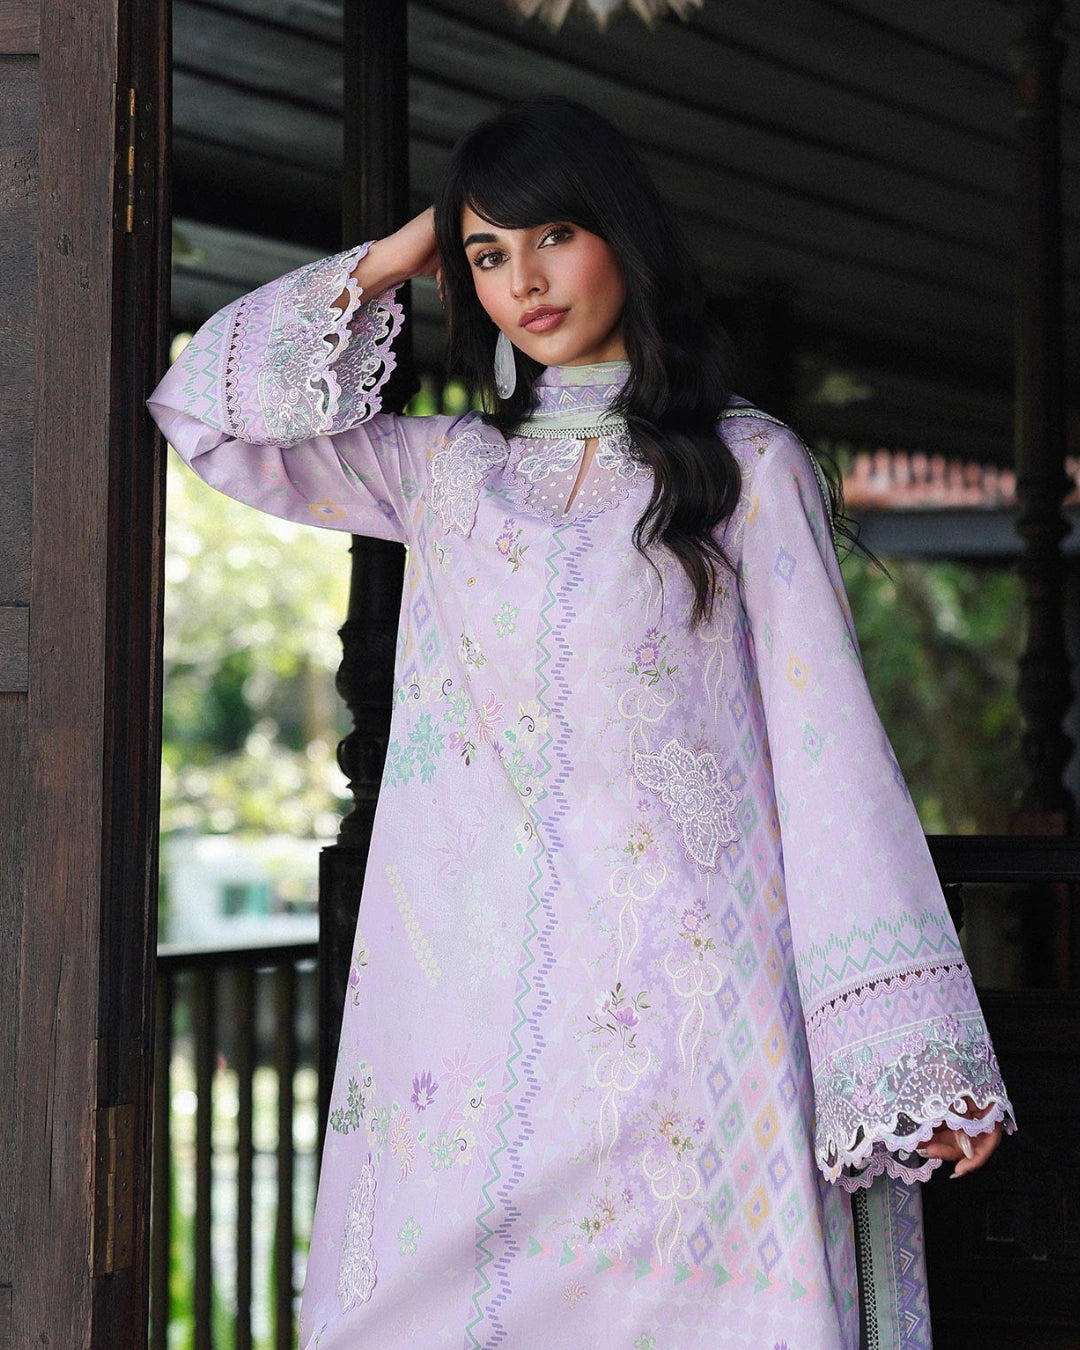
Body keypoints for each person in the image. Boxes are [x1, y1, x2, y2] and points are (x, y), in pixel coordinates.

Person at [150, 99, 1012, 1350]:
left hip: (691, 1029)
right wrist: (403, 251)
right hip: (469, 1044)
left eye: (553, 234)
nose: (524, 282)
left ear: (624, 235)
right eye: (489, 254)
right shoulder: (442, 470)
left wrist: (908, 1051)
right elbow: (203, 415)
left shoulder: (742, 465)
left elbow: (832, 759)